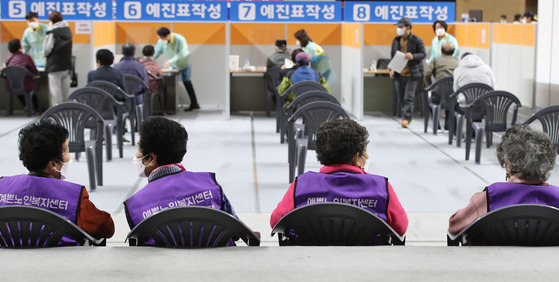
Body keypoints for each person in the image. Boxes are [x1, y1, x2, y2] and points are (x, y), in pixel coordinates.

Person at [271, 119, 408, 238]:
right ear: (356, 157)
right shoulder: (381, 187)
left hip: (310, 261)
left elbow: (275, 221)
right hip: (368, 262)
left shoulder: (301, 185)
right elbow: (400, 228)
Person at [123, 117, 238, 246]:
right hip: (219, 264)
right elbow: (236, 231)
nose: (137, 155)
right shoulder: (211, 186)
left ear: (151, 159)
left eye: (139, 148)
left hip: (162, 265)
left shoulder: (135, 206)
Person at [0, 120, 114, 245]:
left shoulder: (2, 186)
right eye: (66, 151)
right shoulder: (74, 197)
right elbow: (106, 228)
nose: (68, 157)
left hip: (8, 261)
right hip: (60, 262)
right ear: (53, 163)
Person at [449, 125, 558, 239]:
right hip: (546, 257)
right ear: (548, 163)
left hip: (492, 256)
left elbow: (454, 226)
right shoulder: (556, 196)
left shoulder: (490, 196)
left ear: (508, 165)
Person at [389, 17, 426, 128]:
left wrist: (413, 56)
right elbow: (393, 56)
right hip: (399, 73)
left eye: (401, 27)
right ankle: (405, 115)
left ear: (408, 27)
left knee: (408, 97)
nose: (399, 29)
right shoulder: (396, 40)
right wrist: (392, 68)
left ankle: (407, 118)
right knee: (401, 96)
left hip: (412, 73)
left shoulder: (417, 40)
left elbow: (423, 54)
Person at [154, 27, 199, 111]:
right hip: (173, 65)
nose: (160, 39)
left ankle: (194, 103)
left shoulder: (179, 39)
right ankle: (169, 106)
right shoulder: (161, 41)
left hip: (184, 63)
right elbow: (156, 52)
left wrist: (171, 61)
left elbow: (182, 53)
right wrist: (150, 61)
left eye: (161, 37)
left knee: (187, 82)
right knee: (170, 83)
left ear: (167, 35)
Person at [424, 42, 459, 131]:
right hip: (453, 93)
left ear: (441, 51)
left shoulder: (436, 60)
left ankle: (437, 126)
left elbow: (427, 74)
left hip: (438, 92)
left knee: (431, 102)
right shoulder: (457, 63)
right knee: (451, 102)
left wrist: (429, 85)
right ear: (453, 52)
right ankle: (447, 126)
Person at [43, 11, 72, 107]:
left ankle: (57, 110)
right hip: (66, 64)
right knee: (65, 90)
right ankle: (67, 110)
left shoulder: (52, 33)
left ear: (51, 20)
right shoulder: (68, 31)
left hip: (54, 65)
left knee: (56, 91)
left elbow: (47, 49)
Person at [5, 39, 39, 112]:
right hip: (26, 84)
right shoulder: (26, 57)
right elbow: (34, 71)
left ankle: (26, 106)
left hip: (12, 85)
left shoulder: (9, 59)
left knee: (19, 90)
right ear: (19, 47)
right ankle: (37, 108)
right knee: (34, 89)